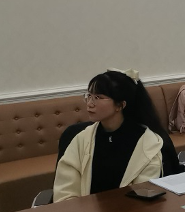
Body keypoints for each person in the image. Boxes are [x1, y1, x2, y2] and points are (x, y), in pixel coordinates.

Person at [53, 70, 166, 202]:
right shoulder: (82, 138)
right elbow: (65, 191)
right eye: (89, 96)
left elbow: (142, 196)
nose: (90, 103)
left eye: (98, 97)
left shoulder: (148, 144)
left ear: (120, 105)